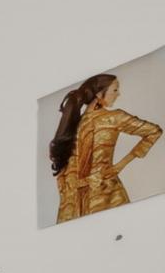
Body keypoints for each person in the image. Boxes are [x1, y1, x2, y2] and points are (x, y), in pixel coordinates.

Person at [51, 72, 161, 221]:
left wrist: (120, 165)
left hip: (104, 196)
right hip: (74, 203)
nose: (118, 94)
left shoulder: (113, 118)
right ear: (98, 94)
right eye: (115, 90)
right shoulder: (74, 122)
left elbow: (154, 132)